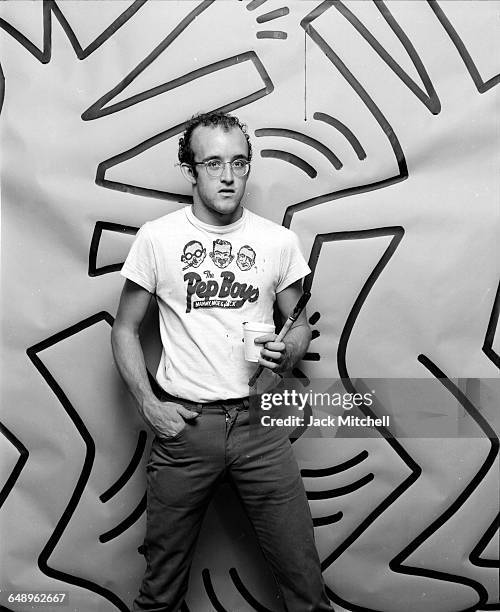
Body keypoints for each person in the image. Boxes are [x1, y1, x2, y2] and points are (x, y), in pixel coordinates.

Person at [111, 111, 334, 612]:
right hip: (186, 427)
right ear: (190, 170)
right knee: (160, 589)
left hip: (259, 427)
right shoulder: (157, 239)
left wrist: (291, 347)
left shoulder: (277, 241)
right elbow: (124, 329)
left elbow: (298, 323)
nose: (228, 176)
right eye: (212, 163)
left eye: (238, 162)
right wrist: (149, 404)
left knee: (304, 583)